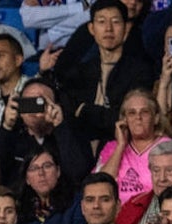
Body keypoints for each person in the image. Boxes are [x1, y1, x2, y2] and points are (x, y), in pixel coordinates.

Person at [61, 0, 154, 147]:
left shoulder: (140, 71)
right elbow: (69, 114)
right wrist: (106, 114)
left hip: (123, 146)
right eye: (102, 22)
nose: (108, 29)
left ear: (125, 29)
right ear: (92, 29)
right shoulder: (79, 72)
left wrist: (85, 110)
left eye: (116, 22)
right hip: (80, 149)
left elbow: (128, 119)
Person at [0, 77, 93, 186]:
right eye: (28, 103)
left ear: (56, 106)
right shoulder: (12, 138)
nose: (34, 109)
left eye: (40, 102)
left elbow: (78, 173)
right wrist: (7, 126)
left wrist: (60, 127)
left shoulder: (72, 134)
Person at [98, 90, 172, 207]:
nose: (138, 117)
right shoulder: (112, 147)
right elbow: (99, 187)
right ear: (124, 119)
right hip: (115, 217)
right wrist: (121, 146)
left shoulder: (168, 147)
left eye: (144, 112)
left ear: (156, 118)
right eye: (132, 113)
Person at [14, 146, 74, 224]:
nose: (41, 173)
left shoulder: (74, 203)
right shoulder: (18, 209)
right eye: (34, 168)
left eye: (47, 166)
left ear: (58, 171)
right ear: (27, 179)